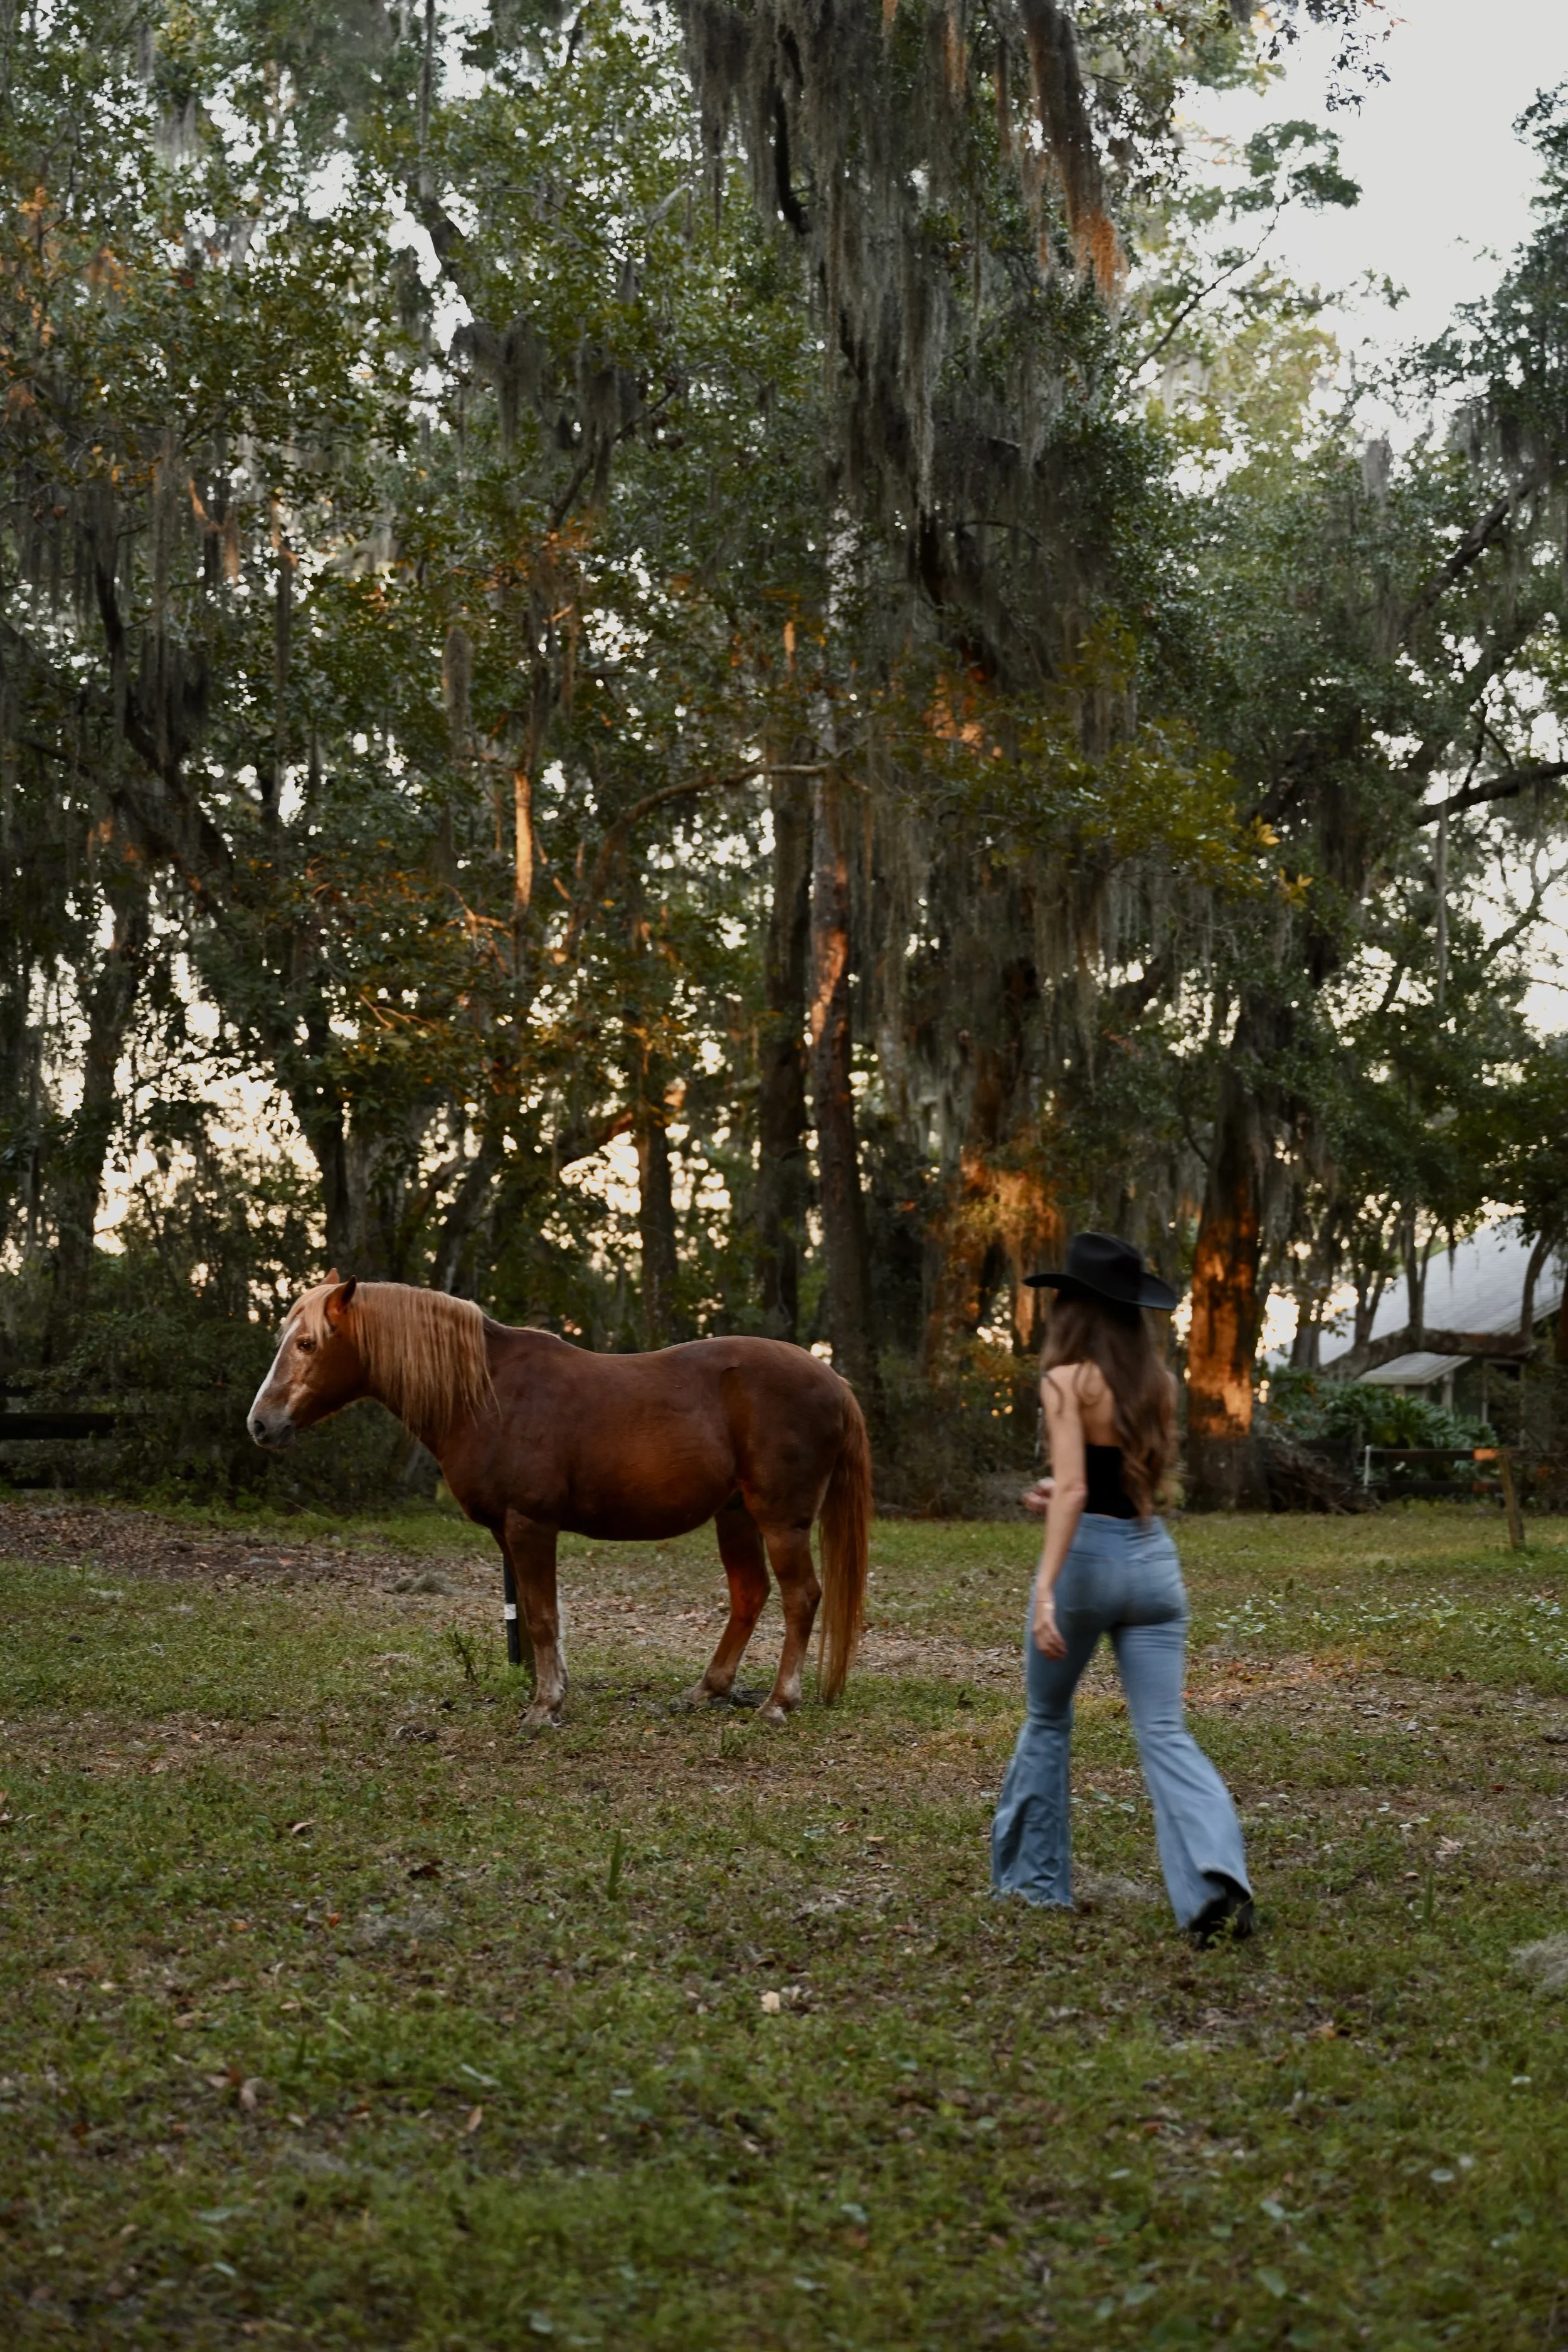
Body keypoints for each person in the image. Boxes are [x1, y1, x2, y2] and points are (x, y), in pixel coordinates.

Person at [989, 1232, 1254, 1947]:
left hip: (1087, 1567)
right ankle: (1214, 1878)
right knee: (1165, 1732)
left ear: (1073, 1307)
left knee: (1046, 1721)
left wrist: (1045, 1590)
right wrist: (1060, 1493)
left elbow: (1079, 1488)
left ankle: (1034, 1884)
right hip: (1152, 1562)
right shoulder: (1155, 1383)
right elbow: (1115, 1484)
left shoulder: (1065, 1380)